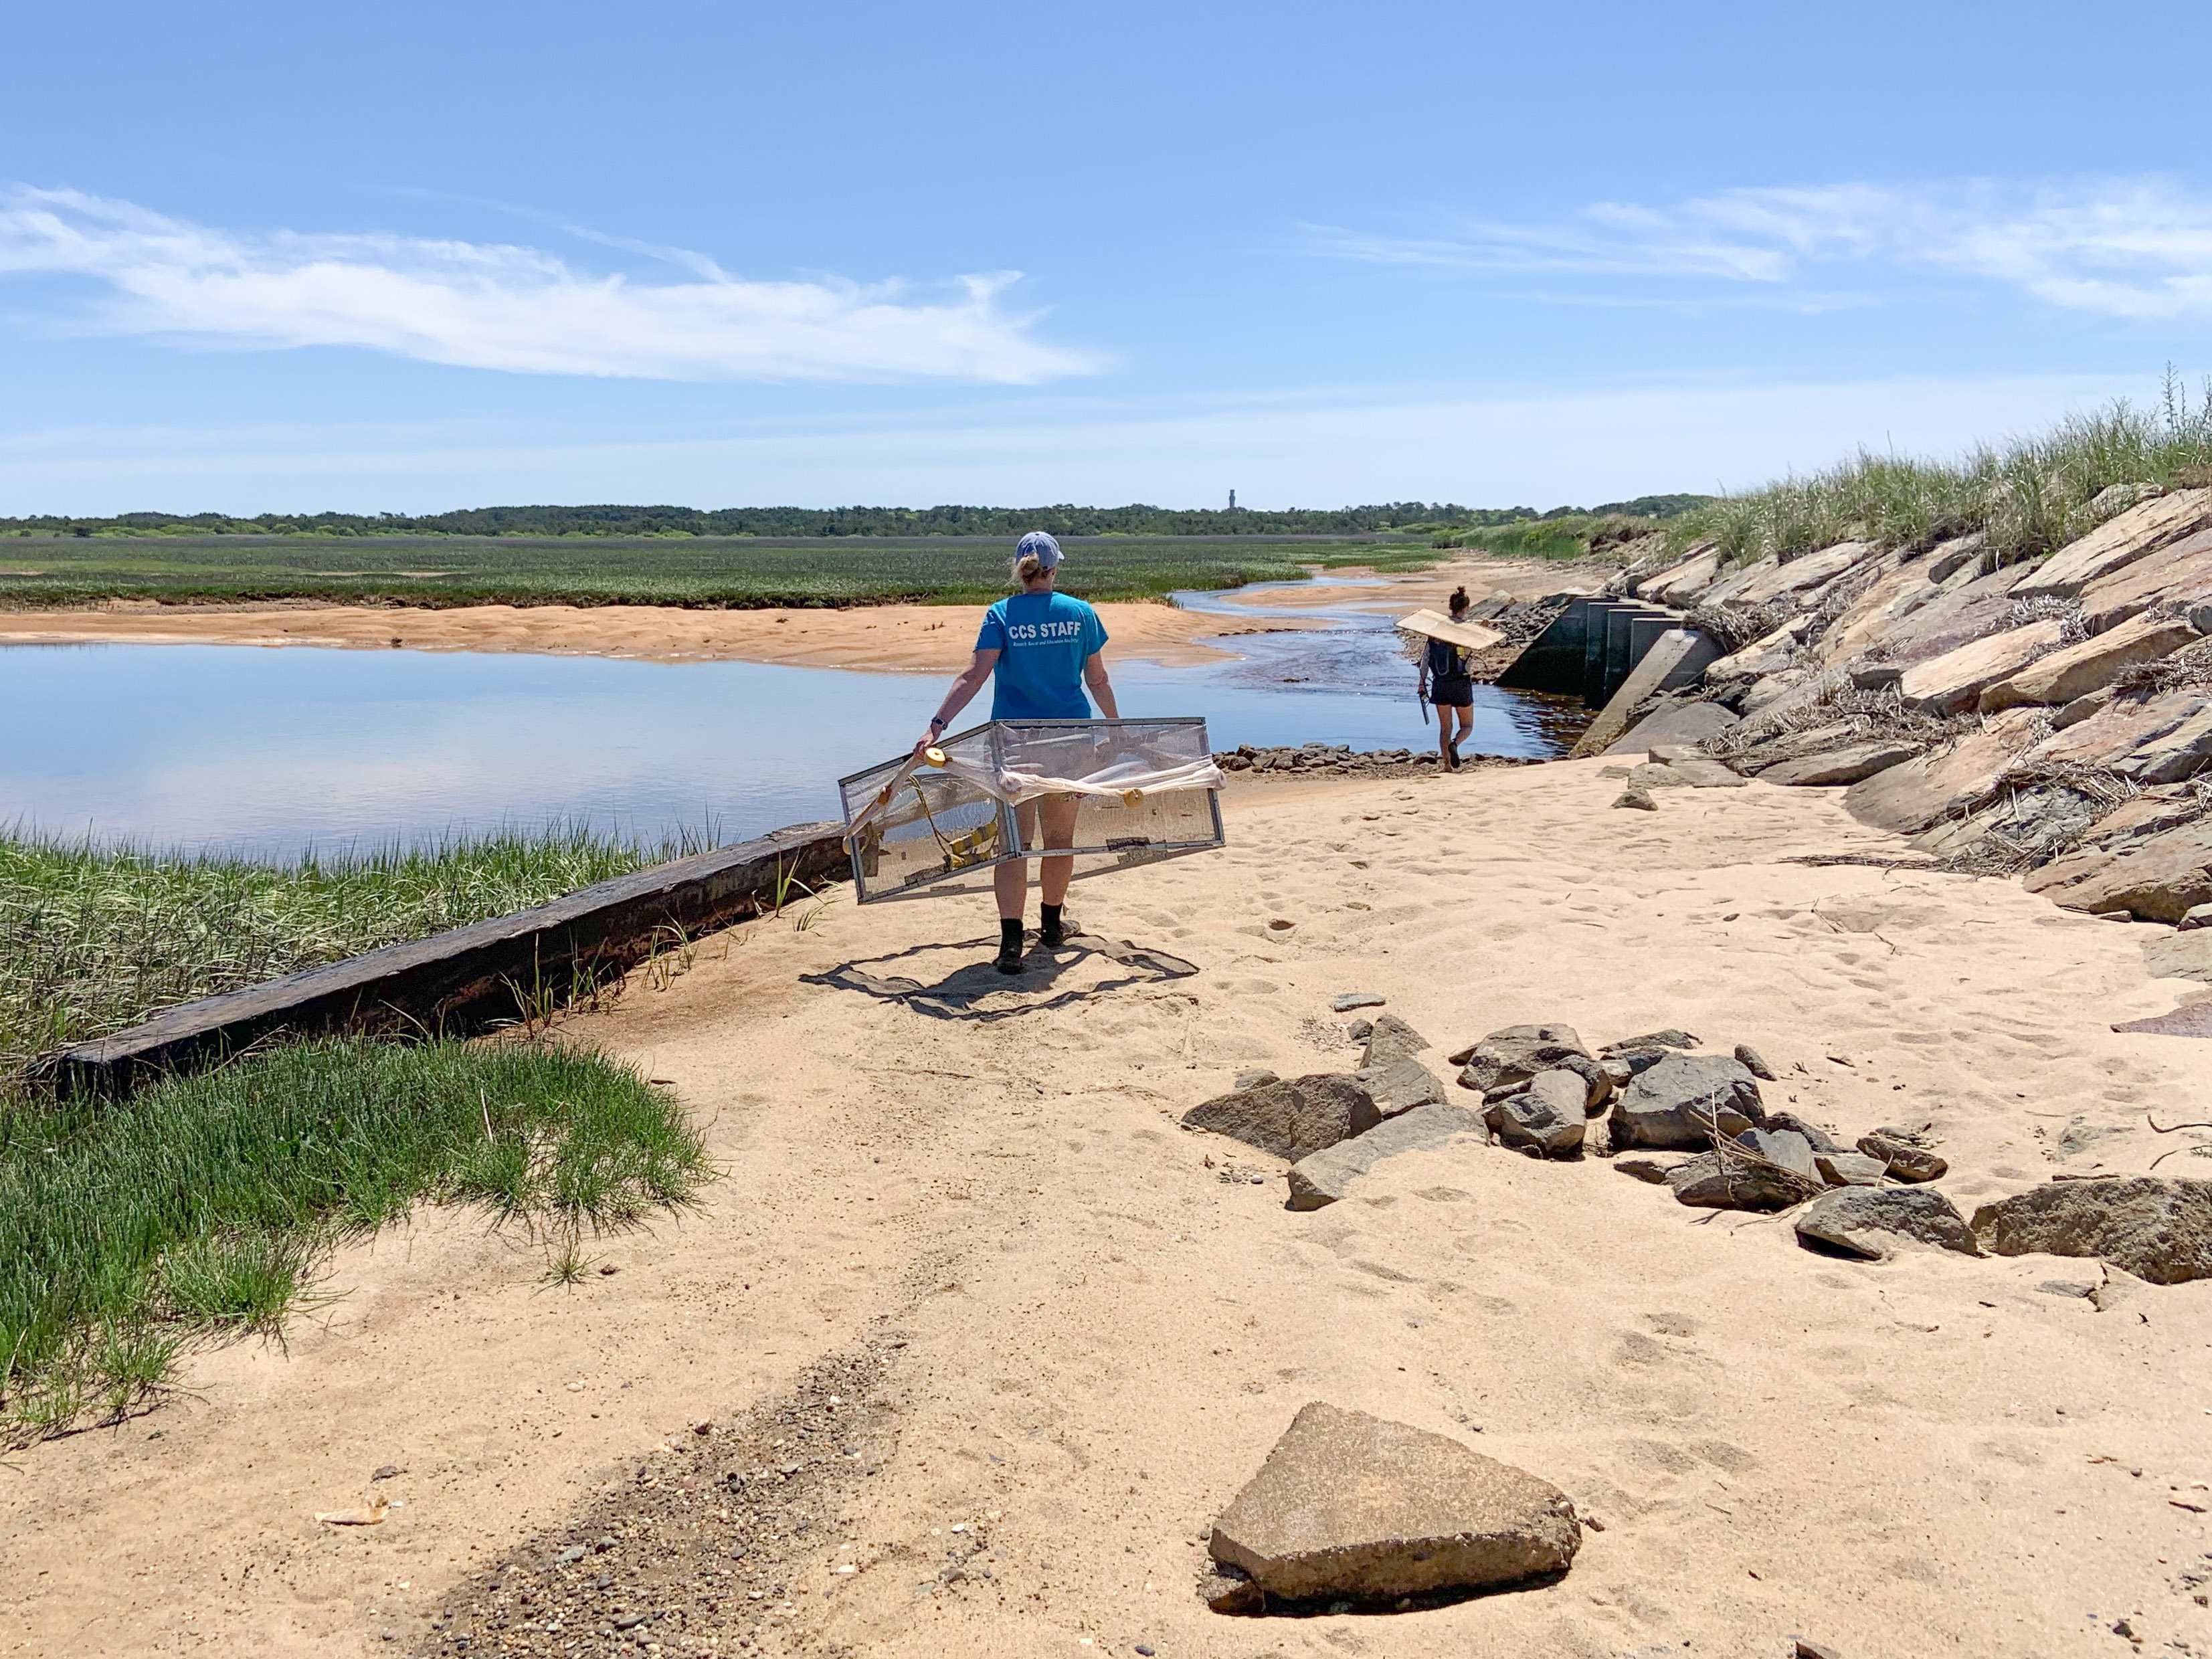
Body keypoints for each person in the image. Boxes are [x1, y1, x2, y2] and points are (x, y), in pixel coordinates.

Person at [917, 530, 1119, 974]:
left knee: (1015, 844)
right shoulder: (1081, 614)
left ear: (1021, 569)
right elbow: (1098, 681)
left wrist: (936, 727)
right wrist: (1113, 728)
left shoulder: (1002, 614)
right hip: (1069, 742)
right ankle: (1051, 927)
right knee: (1060, 840)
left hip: (1014, 744)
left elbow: (972, 678)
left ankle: (1011, 944)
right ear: (1055, 568)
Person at [1417, 586, 1477, 770]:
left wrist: (1421, 683)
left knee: (1445, 728)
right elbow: (1468, 655)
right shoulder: (1466, 631)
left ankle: (1447, 767)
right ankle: (1455, 744)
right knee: (1467, 726)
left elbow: (1425, 658)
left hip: (1440, 683)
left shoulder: (1437, 630)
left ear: (1450, 606)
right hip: (1461, 683)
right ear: (1466, 608)